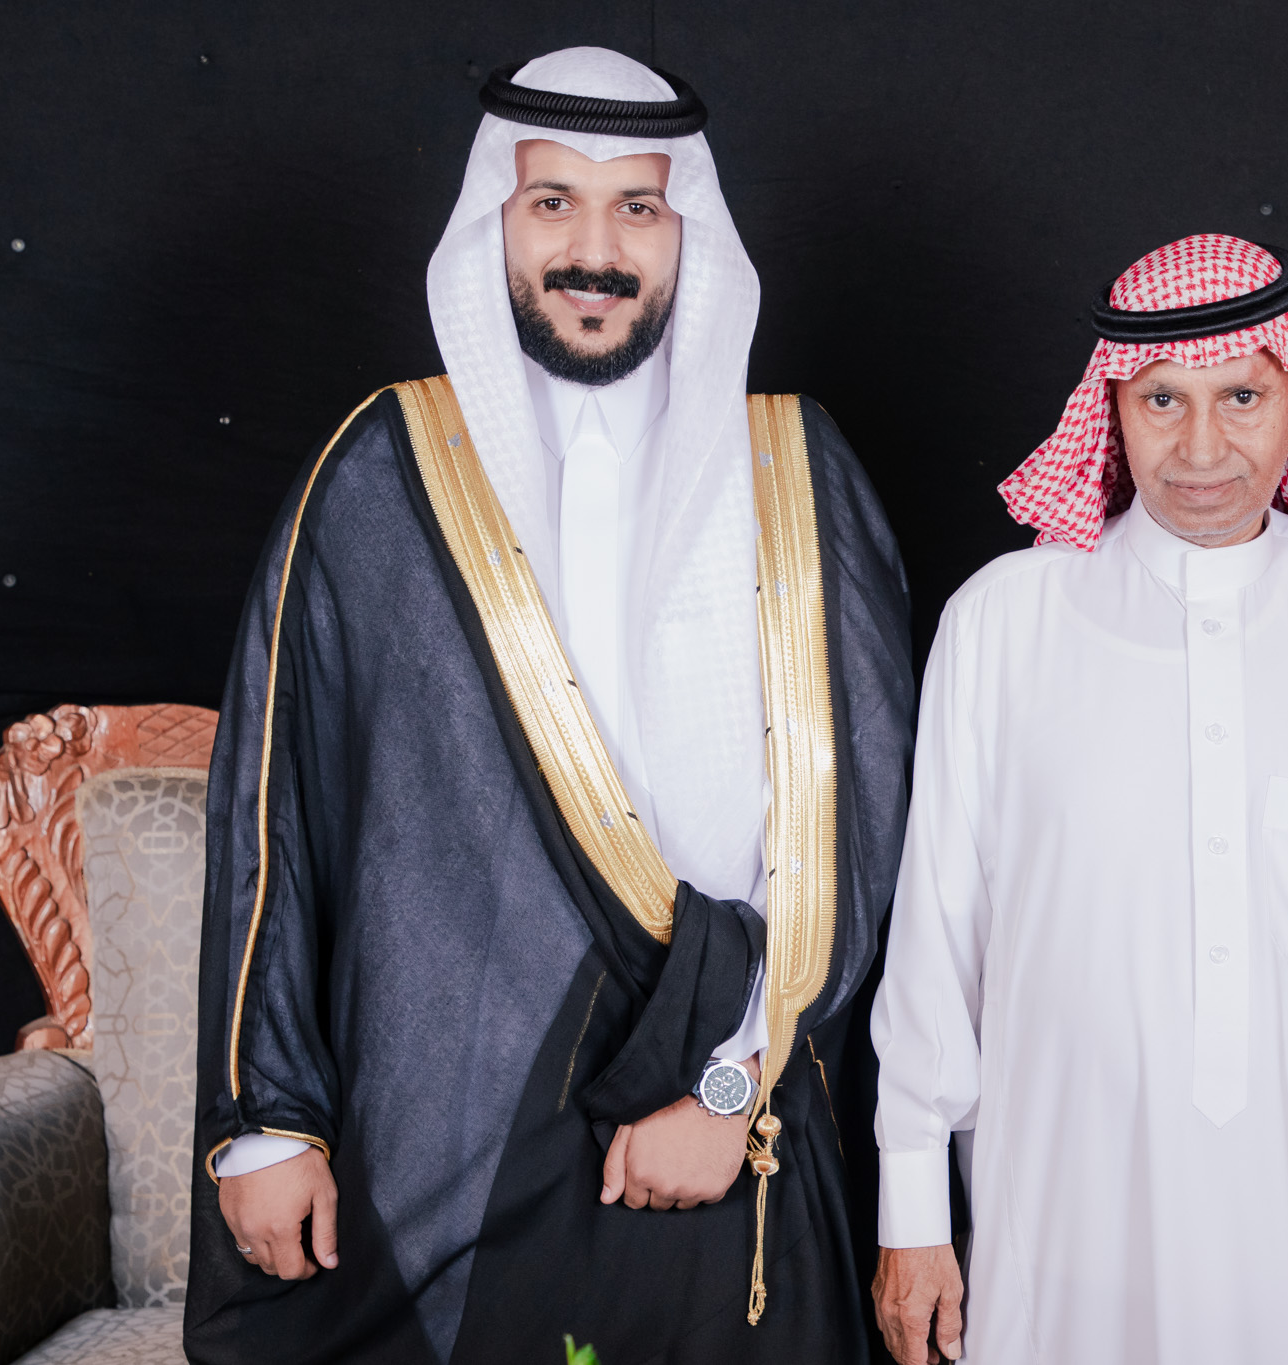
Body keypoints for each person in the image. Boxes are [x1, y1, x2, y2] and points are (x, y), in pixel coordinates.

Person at [185, 47, 912, 1364]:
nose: (595, 251)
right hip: (457, 1121)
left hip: (727, 1119)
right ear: (495, 223)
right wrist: (267, 1122)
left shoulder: (794, 471)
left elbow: (862, 836)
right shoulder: (384, 474)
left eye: (637, 207)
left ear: (688, 233)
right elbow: (272, 816)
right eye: (553, 204)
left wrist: (729, 1086)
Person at [869, 235, 1288, 1365]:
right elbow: (938, 936)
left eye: (1241, 397)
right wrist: (913, 1213)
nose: (1202, 447)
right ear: (1112, 410)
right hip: (1063, 1210)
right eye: (1162, 400)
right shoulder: (1003, 625)